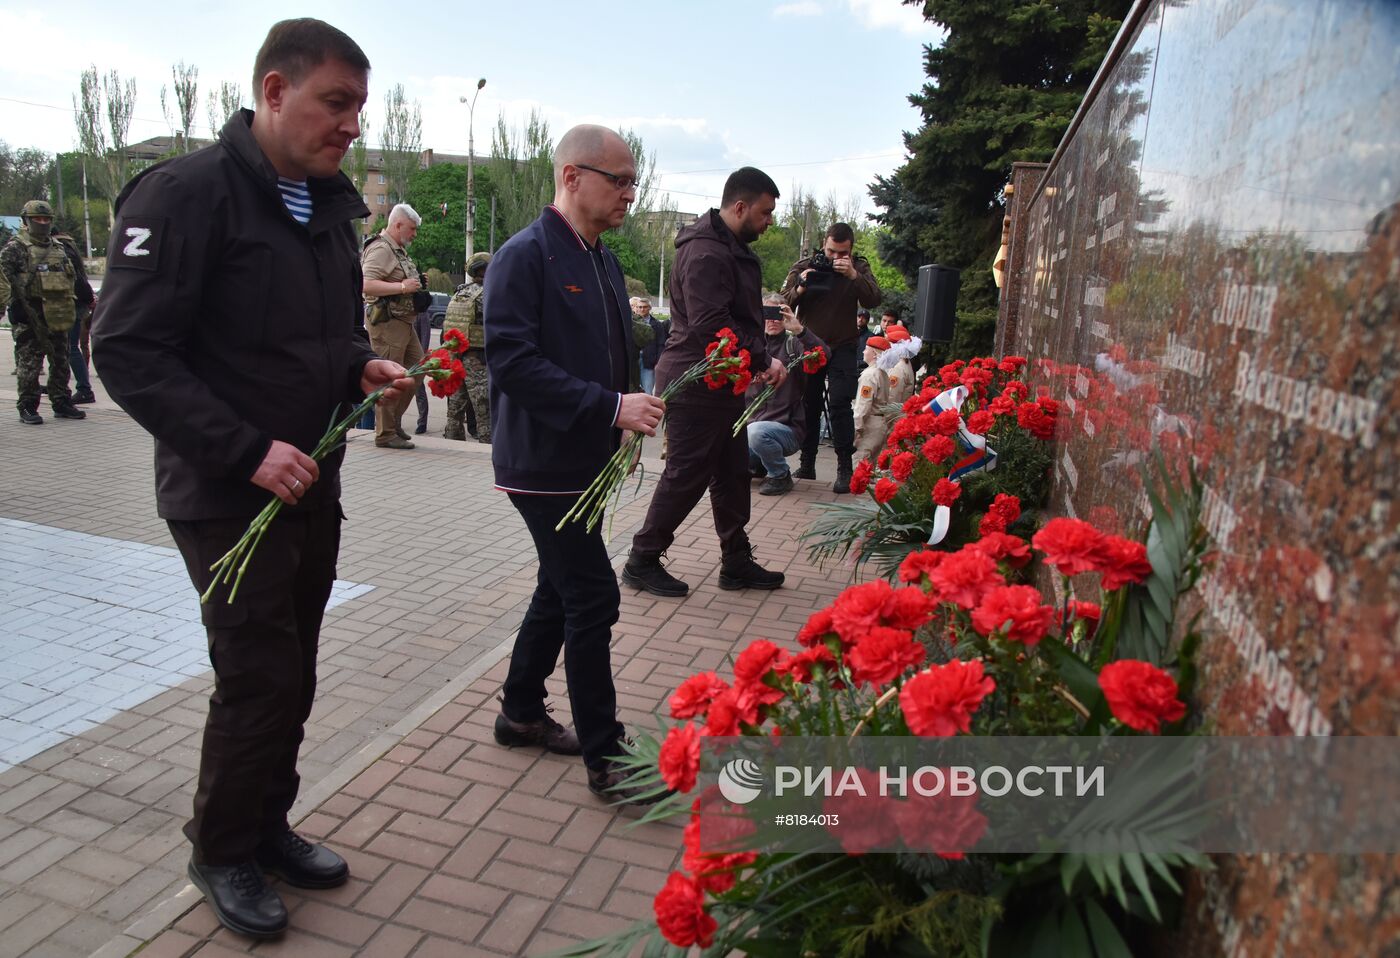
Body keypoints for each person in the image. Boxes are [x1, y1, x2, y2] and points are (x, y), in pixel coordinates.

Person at [91, 19, 413, 940]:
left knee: (294, 667)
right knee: (257, 673)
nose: (352, 124)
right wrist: (244, 450)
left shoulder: (322, 206)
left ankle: (267, 826)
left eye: (360, 106)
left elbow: (310, 334)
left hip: (313, 479)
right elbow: (126, 349)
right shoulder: (187, 194)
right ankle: (221, 847)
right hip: (232, 493)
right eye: (335, 103)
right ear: (275, 91)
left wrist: (358, 364)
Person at [485, 124, 666, 803]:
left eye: (632, 182)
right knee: (593, 594)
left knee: (558, 588)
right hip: (540, 463)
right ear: (571, 176)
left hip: (588, 458)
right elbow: (511, 362)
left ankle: (521, 712)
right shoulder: (524, 256)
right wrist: (609, 407)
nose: (629, 193)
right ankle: (607, 756)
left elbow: (617, 353)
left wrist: (626, 416)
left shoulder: (604, 259)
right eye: (618, 180)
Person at [622, 167, 789, 598]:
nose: (770, 222)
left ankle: (736, 561)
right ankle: (642, 558)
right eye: (766, 213)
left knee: (732, 473)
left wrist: (754, 360)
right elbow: (712, 324)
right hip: (698, 378)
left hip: (720, 377)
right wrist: (762, 358)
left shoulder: (725, 247)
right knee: (687, 473)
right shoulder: (707, 254)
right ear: (739, 207)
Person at [781, 223, 882, 493]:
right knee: (809, 404)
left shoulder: (858, 268)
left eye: (842, 253)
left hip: (843, 346)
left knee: (839, 405)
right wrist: (800, 287)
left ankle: (844, 468)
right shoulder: (804, 265)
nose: (834, 257)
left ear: (850, 249)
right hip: (810, 344)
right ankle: (807, 462)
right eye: (830, 251)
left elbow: (874, 299)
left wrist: (852, 275)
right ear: (823, 243)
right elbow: (782, 303)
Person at [1, 199, 91, 425]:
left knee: (61, 360)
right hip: (29, 314)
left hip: (57, 313)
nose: (42, 223)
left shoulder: (58, 248)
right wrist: (8, 306)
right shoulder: (15, 248)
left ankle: (61, 401)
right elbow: (3, 279)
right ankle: (28, 406)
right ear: (26, 221)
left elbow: (71, 280)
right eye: (37, 219)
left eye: (46, 219)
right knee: (29, 363)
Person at [747, 294, 827, 496]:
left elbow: (824, 354)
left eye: (778, 314)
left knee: (756, 432)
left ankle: (781, 474)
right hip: (749, 427)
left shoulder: (794, 345)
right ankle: (756, 465)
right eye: (767, 313)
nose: (772, 320)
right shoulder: (751, 346)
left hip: (786, 429)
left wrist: (799, 330)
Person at [362, 203, 425, 449]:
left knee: (417, 371)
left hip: (404, 324)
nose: (414, 234)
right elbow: (365, 284)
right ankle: (385, 433)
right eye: (411, 229)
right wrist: (401, 287)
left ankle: (394, 423)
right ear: (397, 225)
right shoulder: (380, 248)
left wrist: (416, 284)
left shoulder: (396, 249)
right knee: (391, 379)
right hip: (387, 324)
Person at [443, 251, 491, 442]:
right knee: (482, 405)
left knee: (456, 404)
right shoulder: (486, 293)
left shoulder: (460, 292)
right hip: (477, 357)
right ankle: (487, 443)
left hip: (457, 355)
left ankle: (453, 440)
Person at [853, 335, 893, 465]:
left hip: (869, 425)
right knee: (869, 468)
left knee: (859, 464)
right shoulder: (883, 373)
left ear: (875, 354)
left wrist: (857, 428)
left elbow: (863, 406)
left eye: (866, 349)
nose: (864, 352)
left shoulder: (870, 375)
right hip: (880, 424)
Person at [636, 298, 670, 394]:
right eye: (640, 307)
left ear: (649, 308)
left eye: (645, 307)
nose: (642, 309)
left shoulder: (657, 325)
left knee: (648, 390)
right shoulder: (631, 323)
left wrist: (658, 362)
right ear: (637, 308)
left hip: (649, 362)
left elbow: (661, 344)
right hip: (634, 362)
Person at [412, 302, 432, 434]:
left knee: (419, 391)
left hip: (417, 358)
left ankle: (422, 422)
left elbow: (425, 335)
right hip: (402, 356)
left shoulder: (421, 313)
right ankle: (395, 422)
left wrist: (423, 357)